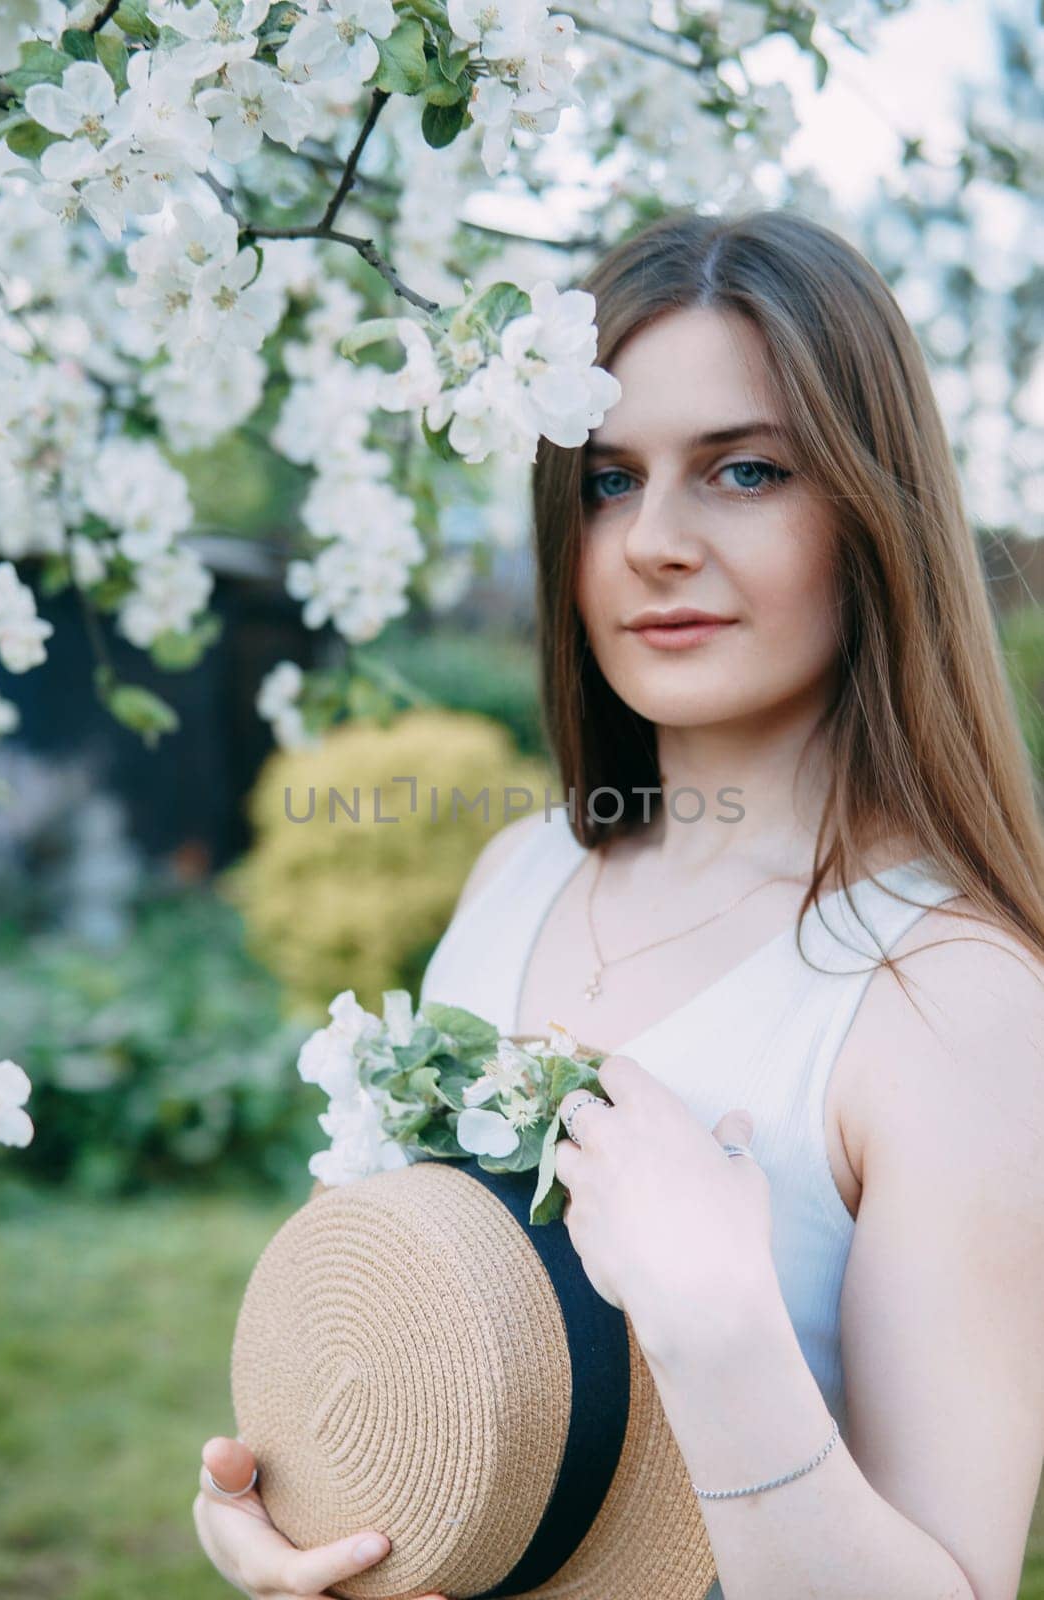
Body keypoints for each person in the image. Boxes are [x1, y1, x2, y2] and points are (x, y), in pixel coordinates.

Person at [193, 205, 1044, 1600]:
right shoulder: (519, 870)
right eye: (605, 481)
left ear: (875, 510)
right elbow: (413, 1356)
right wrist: (281, 1511)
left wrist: (717, 1326)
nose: (653, 540)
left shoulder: (949, 998)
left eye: (746, 472)